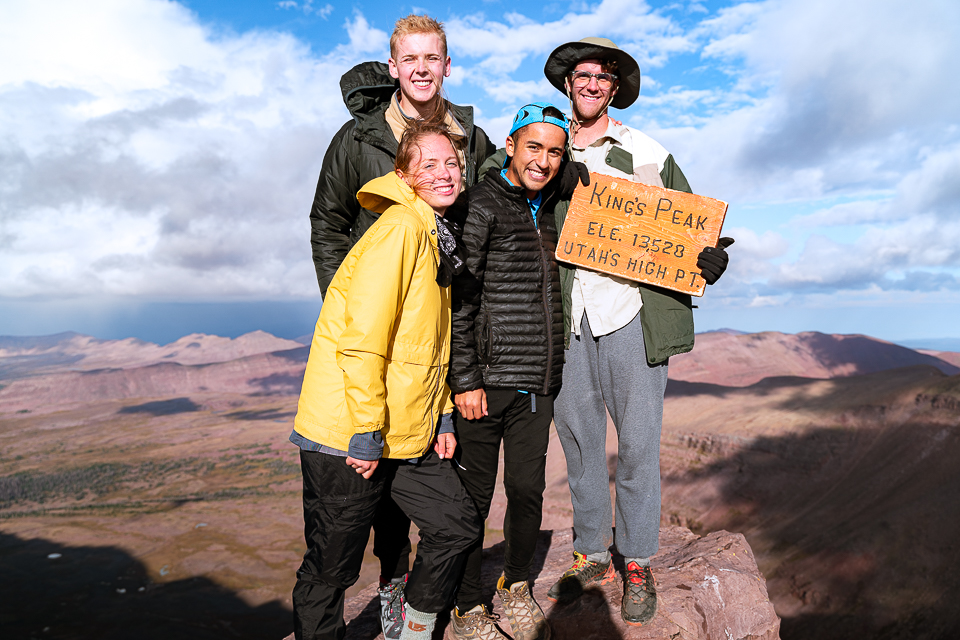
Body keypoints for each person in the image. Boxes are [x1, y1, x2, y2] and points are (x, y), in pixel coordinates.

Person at [307, 14, 495, 638]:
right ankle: (392, 597)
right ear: (393, 67)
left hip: (416, 368)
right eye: (409, 58)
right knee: (352, 534)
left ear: (447, 66)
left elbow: (512, 204)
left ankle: (408, 615)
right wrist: (349, 299)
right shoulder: (359, 142)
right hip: (364, 369)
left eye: (432, 58)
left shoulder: (470, 140)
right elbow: (328, 221)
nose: (420, 68)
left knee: (431, 509)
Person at [540, 38, 732, 626]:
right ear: (568, 84)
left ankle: (639, 560)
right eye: (582, 75)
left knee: (640, 441)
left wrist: (710, 261)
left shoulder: (649, 153)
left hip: (632, 313)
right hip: (566, 315)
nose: (592, 84)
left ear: (615, 88)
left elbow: (691, 225)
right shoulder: (539, 147)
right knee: (576, 437)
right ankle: (593, 550)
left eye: (603, 77)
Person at [446, 103, 571, 640]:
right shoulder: (482, 202)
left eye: (556, 151)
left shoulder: (559, 203)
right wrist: (466, 380)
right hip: (486, 384)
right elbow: (460, 298)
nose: (544, 160)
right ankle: (467, 605)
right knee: (472, 500)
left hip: (536, 385)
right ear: (512, 145)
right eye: (534, 147)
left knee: (526, 492)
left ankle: (515, 587)